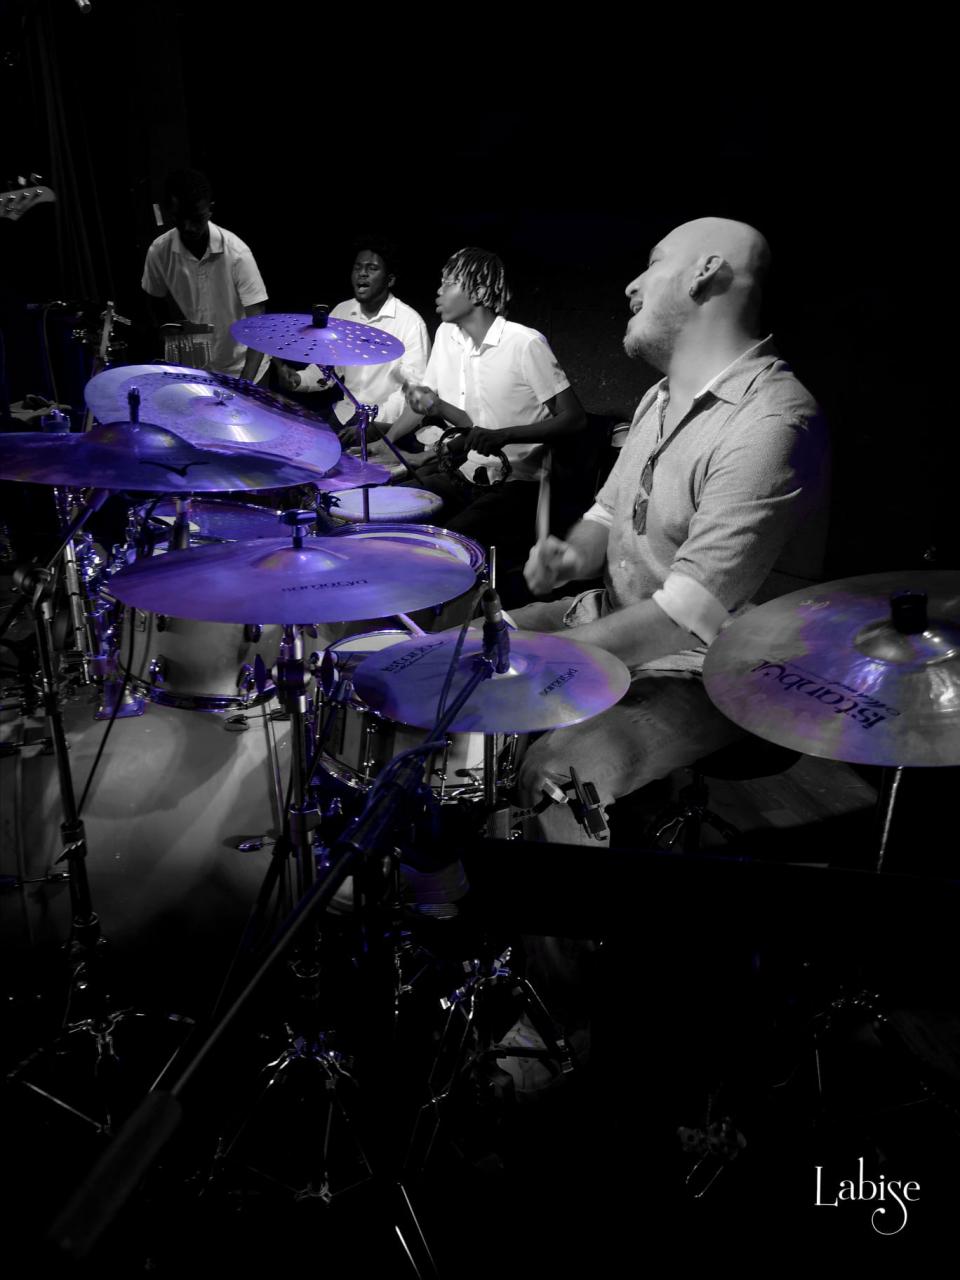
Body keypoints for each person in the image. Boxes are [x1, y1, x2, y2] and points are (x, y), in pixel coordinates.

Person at [513, 216, 831, 846]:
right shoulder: (658, 398)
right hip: (612, 616)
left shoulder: (773, 422)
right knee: (448, 654)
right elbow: (608, 515)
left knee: (555, 774)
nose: (631, 285)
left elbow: (684, 616)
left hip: (709, 668)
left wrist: (538, 662)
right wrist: (570, 556)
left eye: (653, 263)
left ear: (705, 272)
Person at [380, 247, 587, 552]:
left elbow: (575, 419)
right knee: (387, 509)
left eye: (449, 283)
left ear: (477, 292)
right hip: (466, 473)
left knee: (444, 546)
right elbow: (469, 422)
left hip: (519, 484)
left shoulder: (524, 343)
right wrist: (393, 440)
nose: (438, 291)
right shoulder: (447, 336)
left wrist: (504, 436)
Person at [274, 239, 430, 443]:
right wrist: (298, 379)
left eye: (372, 268)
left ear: (390, 280)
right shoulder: (342, 312)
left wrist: (371, 424)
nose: (362, 273)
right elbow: (327, 369)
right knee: (289, 437)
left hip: (385, 424)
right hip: (344, 412)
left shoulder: (410, 322)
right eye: (358, 267)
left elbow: (413, 391)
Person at [141, 169, 268, 381]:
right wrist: (174, 343)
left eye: (196, 218)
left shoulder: (237, 254)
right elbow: (154, 302)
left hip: (245, 367)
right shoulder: (159, 252)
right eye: (180, 219)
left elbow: (259, 324)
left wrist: (245, 385)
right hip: (200, 371)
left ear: (210, 210)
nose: (188, 227)